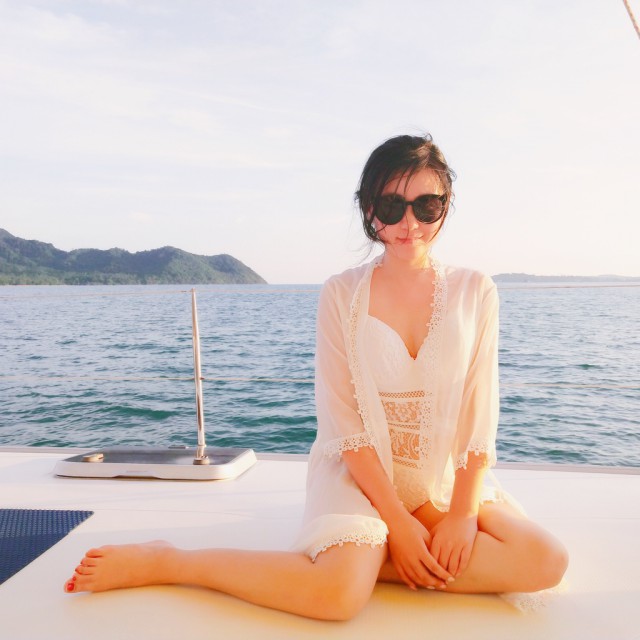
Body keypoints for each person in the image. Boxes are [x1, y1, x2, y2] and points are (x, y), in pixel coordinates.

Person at [63, 133, 568, 620]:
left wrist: (461, 515)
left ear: (446, 204)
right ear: (369, 209)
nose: (409, 222)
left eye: (426, 205)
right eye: (391, 206)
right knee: (338, 598)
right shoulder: (341, 293)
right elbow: (343, 422)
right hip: (360, 475)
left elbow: (481, 410)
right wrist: (397, 521)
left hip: (439, 478)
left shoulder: (476, 290)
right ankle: (170, 561)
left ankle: (371, 562)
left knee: (545, 561)